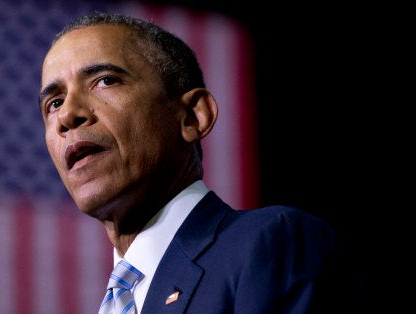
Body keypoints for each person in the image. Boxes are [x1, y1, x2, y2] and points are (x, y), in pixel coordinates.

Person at [38, 12, 364, 314]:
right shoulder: (120, 300)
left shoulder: (270, 246)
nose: (67, 115)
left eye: (106, 80)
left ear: (193, 117)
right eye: (53, 103)